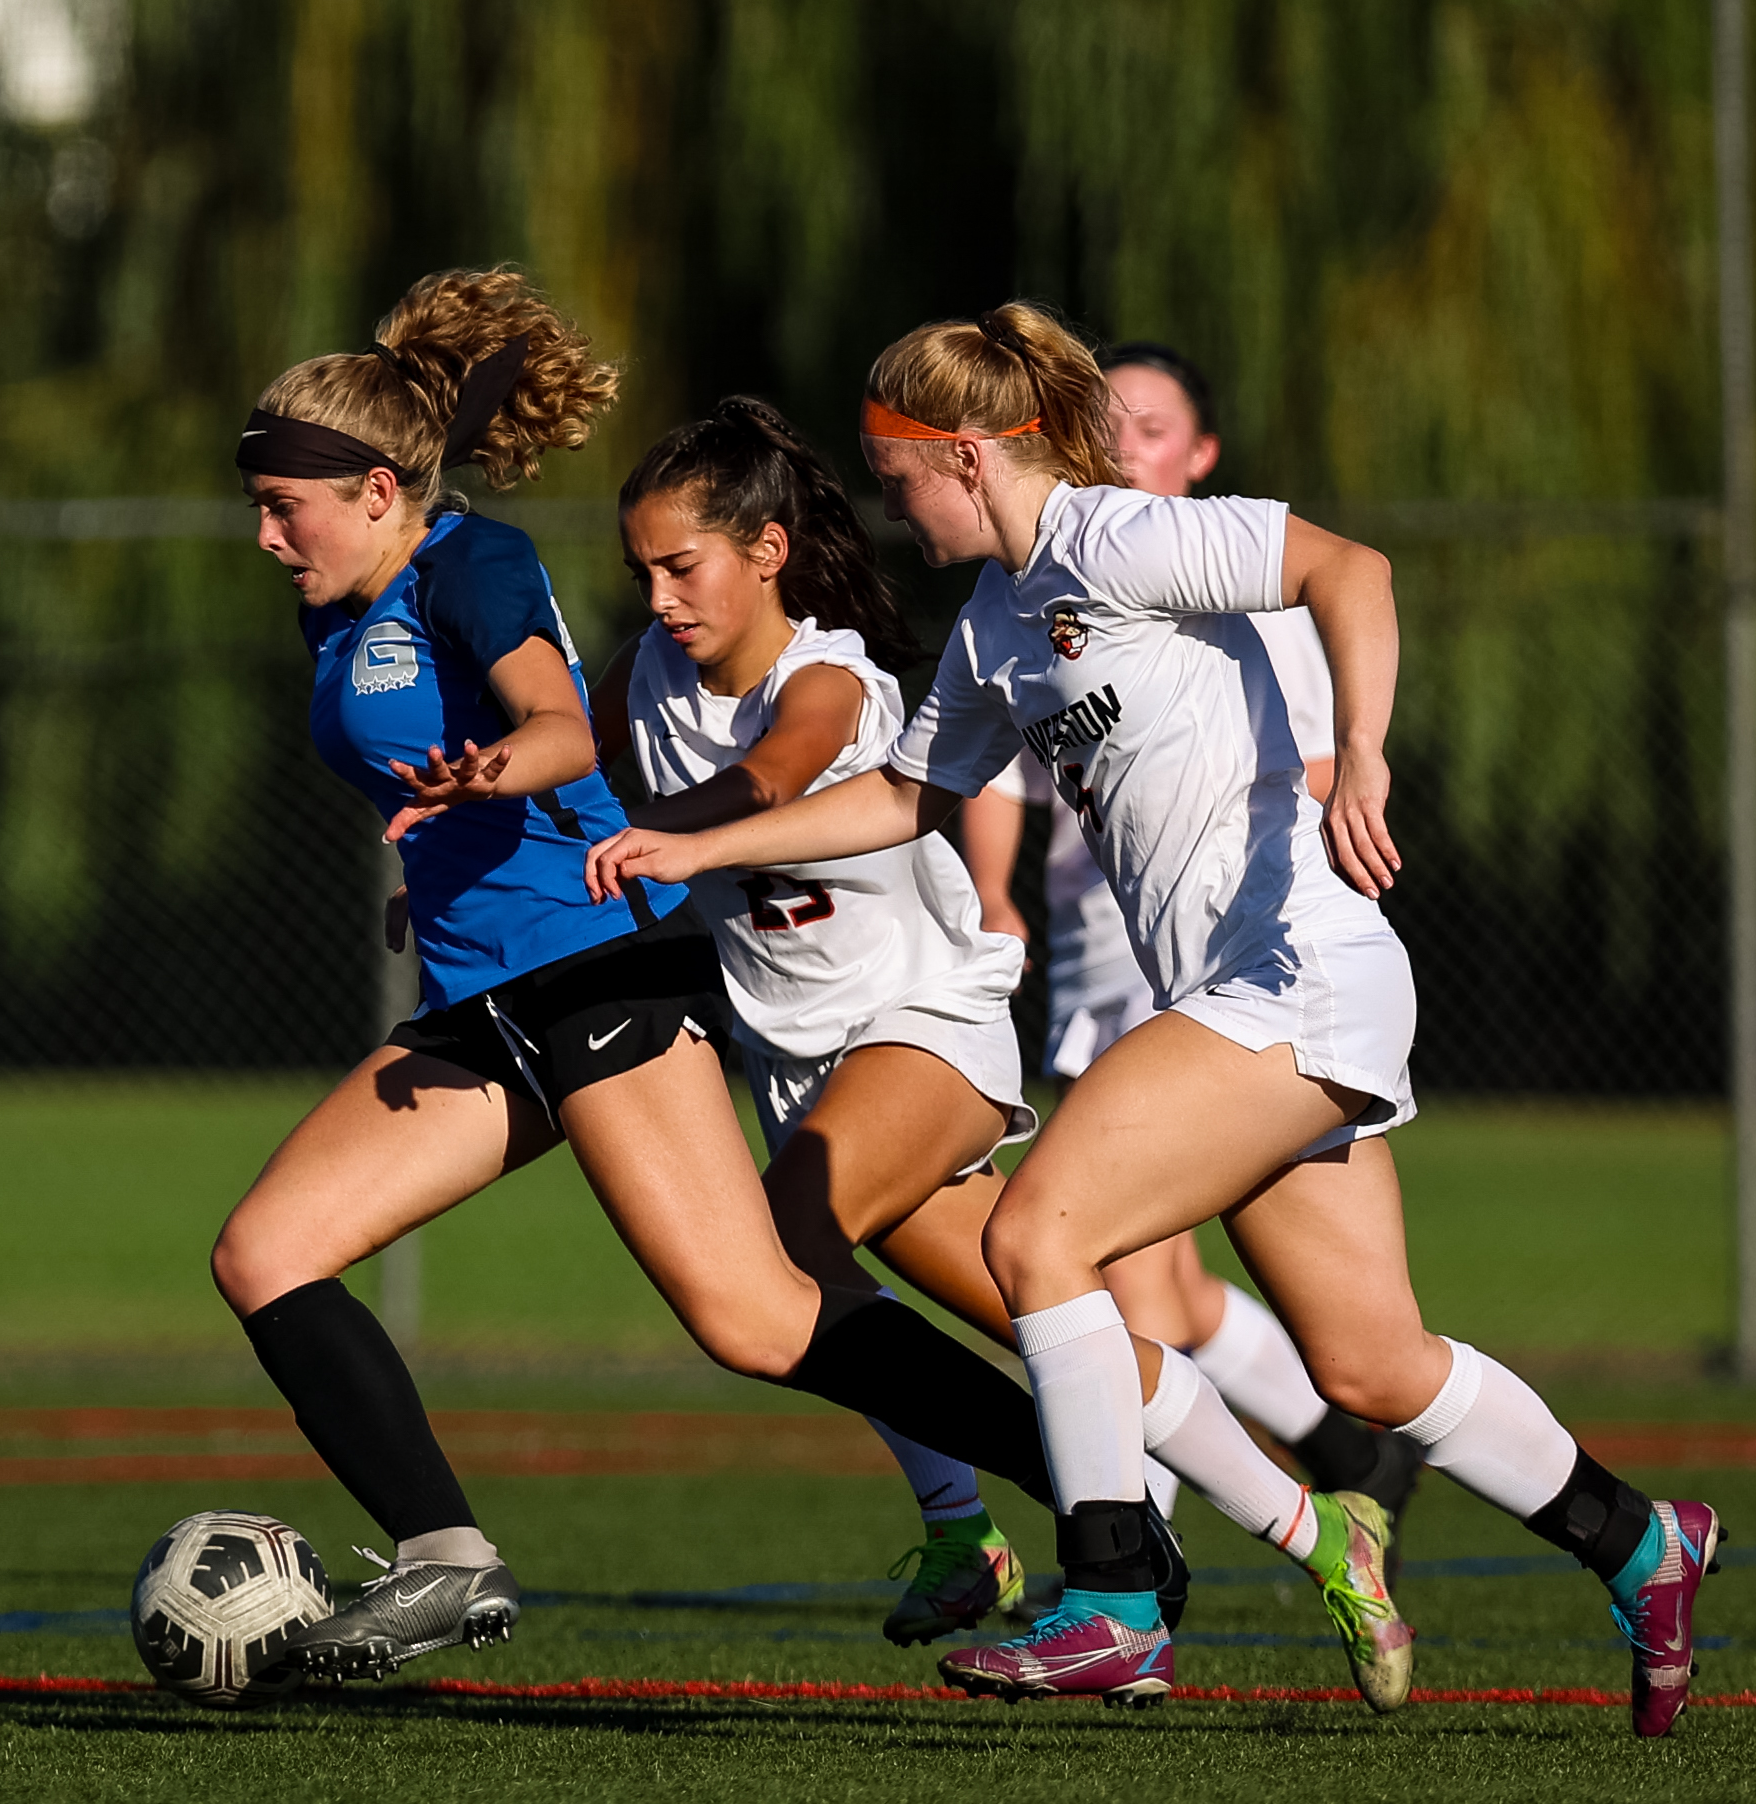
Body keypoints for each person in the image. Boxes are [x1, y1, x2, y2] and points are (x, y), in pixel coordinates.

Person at [584, 302, 1720, 1735]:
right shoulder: (998, 619)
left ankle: (1114, 1596)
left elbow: (1345, 567)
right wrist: (691, 849)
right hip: (1238, 999)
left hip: (1294, 964)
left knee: (1034, 1232)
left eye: (898, 472)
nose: (887, 501)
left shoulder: (1116, 536)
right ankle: (1639, 1539)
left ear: (971, 454)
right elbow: (907, 800)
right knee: (1370, 1364)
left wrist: (1361, 755)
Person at [213, 267, 1106, 1684]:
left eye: (286, 507)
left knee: (754, 1315)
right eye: (259, 506)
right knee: (264, 1254)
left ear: (381, 492)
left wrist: (501, 767)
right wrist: (432, 871)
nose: (266, 535)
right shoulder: (339, 601)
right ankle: (446, 1561)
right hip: (482, 989)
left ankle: (1100, 1519)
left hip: (604, 969)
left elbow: (562, 728)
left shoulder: (472, 563)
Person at [578, 394, 1415, 1688]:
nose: (659, 594)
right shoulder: (641, 677)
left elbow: (783, 772)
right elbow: (561, 752)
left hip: (922, 1034)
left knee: (780, 1248)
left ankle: (976, 1532)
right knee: (1067, 1328)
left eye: (679, 566)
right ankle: (1322, 1532)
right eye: (641, 571)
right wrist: (484, 801)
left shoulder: (834, 678)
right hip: (806, 1065)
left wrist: (680, 835)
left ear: (766, 552)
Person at [958, 342, 1424, 1547]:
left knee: (1080, 1254)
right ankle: (1611, 1526)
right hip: (1127, 971)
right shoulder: (1028, 600)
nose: (1122, 446)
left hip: (1261, 976)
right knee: (1185, 1295)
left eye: (1151, 427)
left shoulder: (1213, 581)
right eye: (1105, 424)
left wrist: (1357, 765)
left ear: (1201, 454)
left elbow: (1315, 726)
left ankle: (1128, 1569)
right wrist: (994, 894)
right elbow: (975, 769)